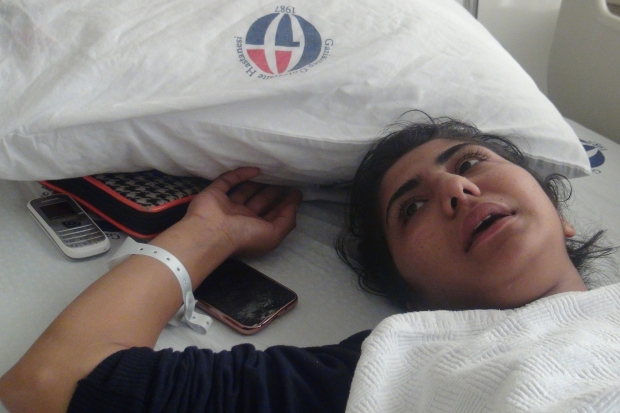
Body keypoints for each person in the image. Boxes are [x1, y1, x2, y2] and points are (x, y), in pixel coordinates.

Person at [0, 116, 614, 413]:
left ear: (562, 216)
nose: (457, 190)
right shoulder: (393, 365)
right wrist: (208, 235)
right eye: (412, 208)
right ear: (412, 297)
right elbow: (55, 378)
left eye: (472, 162)